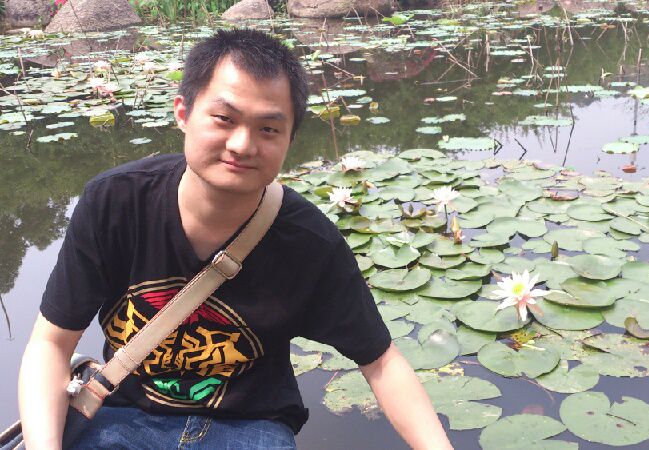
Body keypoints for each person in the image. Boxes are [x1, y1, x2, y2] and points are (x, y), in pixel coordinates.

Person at [17, 28, 453, 450]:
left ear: (290, 138)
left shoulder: (310, 243)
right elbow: (52, 344)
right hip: (121, 415)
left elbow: (381, 361)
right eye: (224, 119)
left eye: (268, 129)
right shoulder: (114, 204)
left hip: (250, 425)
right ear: (183, 113)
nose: (243, 145)